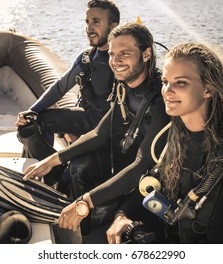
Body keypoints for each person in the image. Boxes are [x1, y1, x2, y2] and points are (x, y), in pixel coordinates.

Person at [104, 42, 223, 244]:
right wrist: (122, 216)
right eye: (165, 82)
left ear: (208, 89)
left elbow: (219, 241)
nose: (167, 91)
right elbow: (152, 187)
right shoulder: (173, 139)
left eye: (180, 83)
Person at [23, 23, 170, 237]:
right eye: (112, 54)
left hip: (146, 184)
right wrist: (54, 160)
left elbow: (142, 165)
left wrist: (86, 201)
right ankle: (72, 226)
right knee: (78, 166)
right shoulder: (124, 87)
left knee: (100, 213)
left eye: (125, 53)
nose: (115, 61)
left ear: (146, 54)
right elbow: (100, 134)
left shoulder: (160, 102)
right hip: (120, 163)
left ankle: (87, 230)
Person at [15, 0, 120, 161]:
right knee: (34, 122)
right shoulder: (88, 57)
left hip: (112, 129)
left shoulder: (123, 61)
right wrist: (32, 111)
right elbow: (60, 87)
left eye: (96, 21)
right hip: (89, 119)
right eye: (87, 21)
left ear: (113, 27)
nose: (89, 28)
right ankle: (44, 172)